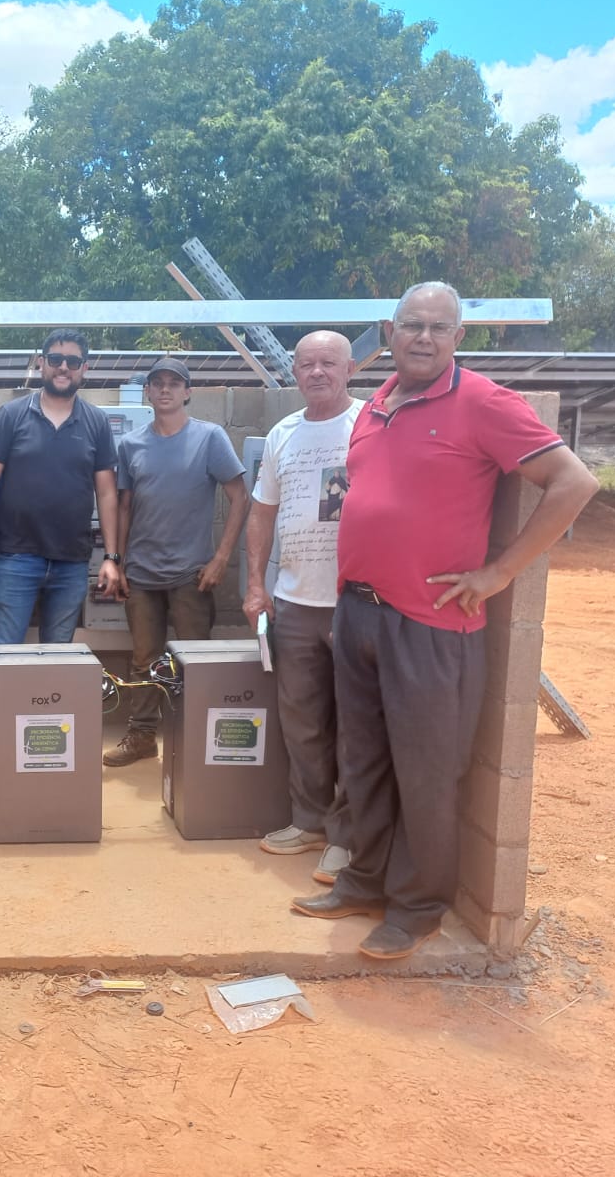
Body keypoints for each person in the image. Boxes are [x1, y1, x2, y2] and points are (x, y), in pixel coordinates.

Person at [291, 282, 598, 960]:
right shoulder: (376, 404)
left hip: (431, 624)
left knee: (427, 772)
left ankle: (418, 905)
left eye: (439, 327)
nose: (423, 337)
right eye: (411, 325)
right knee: (363, 761)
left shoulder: (484, 402)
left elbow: (575, 482)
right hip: (361, 612)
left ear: (459, 337)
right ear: (389, 333)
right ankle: (366, 879)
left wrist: (499, 573)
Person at [0, 328, 123, 787]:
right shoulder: (13, 415)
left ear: (85, 369)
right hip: (16, 558)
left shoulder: (95, 423)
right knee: (2, 657)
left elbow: (107, 494)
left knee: (56, 660)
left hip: (71, 563)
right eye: (56, 359)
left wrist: (111, 556)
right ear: (41, 363)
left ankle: (46, 744)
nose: (64, 367)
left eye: (73, 361)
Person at [243, 331, 363, 885]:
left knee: (356, 726)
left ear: (350, 369)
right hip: (293, 603)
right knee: (302, 721)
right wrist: (255, 585)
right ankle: (309, 821)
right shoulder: (282, 434)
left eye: (328, 363)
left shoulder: (372, 424)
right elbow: (261, 514)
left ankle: (346, 838)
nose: (317, 372)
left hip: (357, 603)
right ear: (294, 370)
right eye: (307, 363)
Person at [104, 357, 248, 767]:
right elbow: (125, 507)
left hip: (193, 574)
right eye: (157, 383)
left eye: (174, 383)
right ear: (147, 392)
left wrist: (221, 558)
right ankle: (142, 735)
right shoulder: (130, 444)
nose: (165, 390)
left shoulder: (210, 438)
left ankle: (193, 740)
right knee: (143, 659)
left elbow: (240, 497)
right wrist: (120, 561)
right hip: (142, 575)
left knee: (192, 659)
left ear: (187, 392)